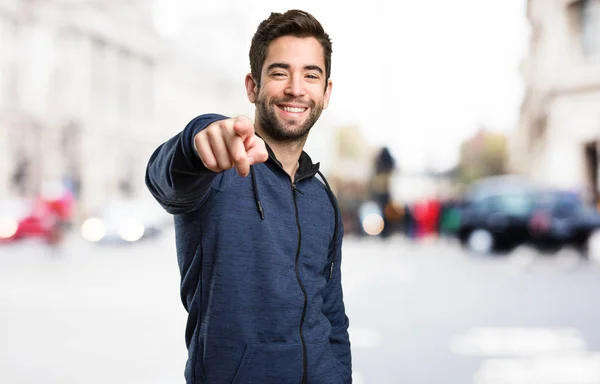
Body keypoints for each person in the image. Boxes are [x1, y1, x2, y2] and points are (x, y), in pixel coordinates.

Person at [145, 10, 352, 384]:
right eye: (279, 72)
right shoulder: (218, 168)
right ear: (252, 86)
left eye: (311, 74)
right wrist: (197, 140)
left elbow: (332, 315)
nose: (295, 87)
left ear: (326, 92)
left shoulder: (323, 199)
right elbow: (164, 177)